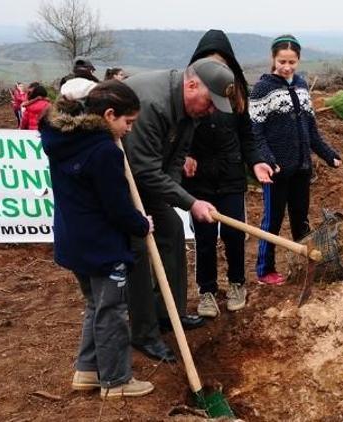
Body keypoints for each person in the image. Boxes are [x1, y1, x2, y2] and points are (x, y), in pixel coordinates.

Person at [40, 80, 156, 399]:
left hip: (73, 240)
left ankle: (88, 370)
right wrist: (141, 224)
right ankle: (116, 381)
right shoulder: (104, 151)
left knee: (96, 303)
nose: (130, 130)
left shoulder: (62, 138)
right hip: (102, 246)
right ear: (108, 115)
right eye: (127, 122)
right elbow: (117, 208)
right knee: (112, 311)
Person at [121, 57, 235, 362]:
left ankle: (169, 313)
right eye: (210, 102)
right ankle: (144, 333)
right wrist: (190, 201)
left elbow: (175, 157)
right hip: (120, 182)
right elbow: (142, 169)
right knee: (140, 248)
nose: (211, 110)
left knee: (171, 228)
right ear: (192, 84)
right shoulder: (151, 104)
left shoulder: (190, 109)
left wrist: (171, 198)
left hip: (148, 180)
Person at [184, 29, 274, 317]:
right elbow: (179, 133)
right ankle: (207, 290)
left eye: (221, 64)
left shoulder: (235, 94)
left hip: (232, 176)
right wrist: (184, 155)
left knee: (235, 235)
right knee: (205, 238)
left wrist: (255, 162)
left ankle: (237, 283)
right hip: (201, 179)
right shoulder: (190, 94)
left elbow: (247, 136)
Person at [250, 34, 341, 285]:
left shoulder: (301, 85)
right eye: (282, 61)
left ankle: (304, 264)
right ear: (273, 59)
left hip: (302, 168)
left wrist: (328, 154)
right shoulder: (263, 89)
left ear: (299, 60)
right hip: (276, 170)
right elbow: (255, 132)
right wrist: (267, 159)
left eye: (292, 61)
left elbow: (311, 130)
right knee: (272, 221)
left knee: (300, 218)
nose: (287, 67)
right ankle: (264, 270)